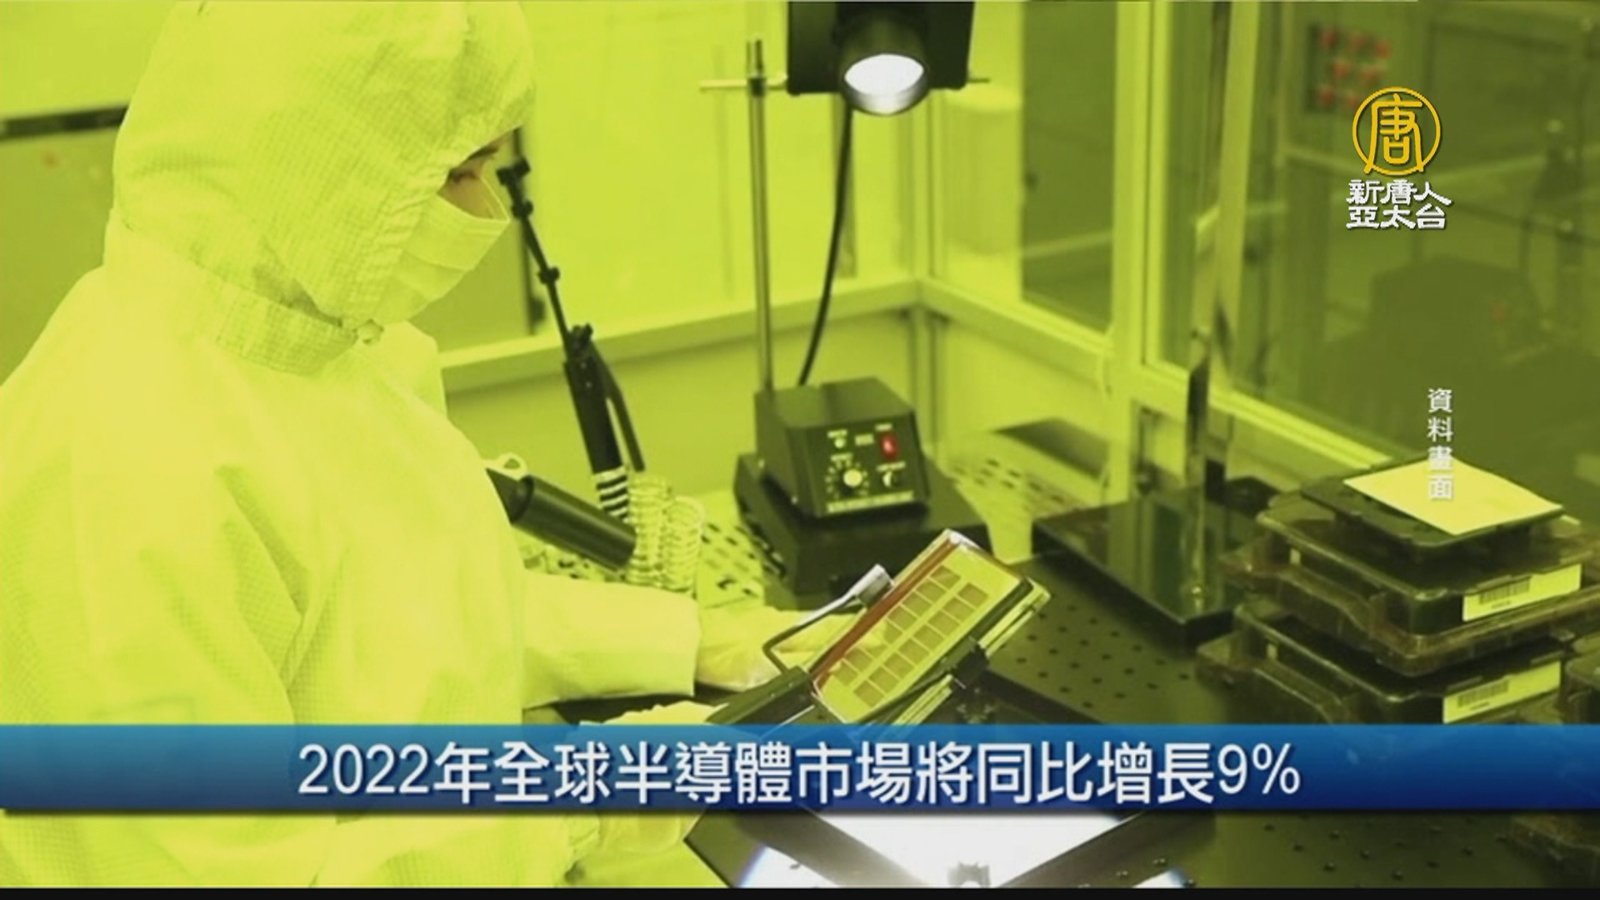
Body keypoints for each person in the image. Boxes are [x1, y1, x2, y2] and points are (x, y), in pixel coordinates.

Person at [0, 2, 818, 886]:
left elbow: (420, 627)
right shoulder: (123, 471)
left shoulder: (323, 352)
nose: (488, 209)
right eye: (462, 171)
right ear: (320, 165)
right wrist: (586, 799)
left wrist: (702, 641)